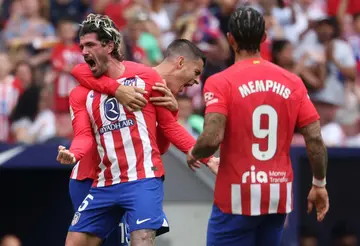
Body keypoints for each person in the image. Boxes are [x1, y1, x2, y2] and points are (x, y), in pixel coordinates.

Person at [56, 14, 211, 246]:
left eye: (89, 45)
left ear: (109, 46)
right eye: (83, 46)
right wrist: (116, 90)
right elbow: (79, 72)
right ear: (180, 63)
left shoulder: (148, 79)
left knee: (131, 240)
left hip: (137, 178)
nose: (196, 82)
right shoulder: (84, 88)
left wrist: (204, 154)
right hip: (92, 177)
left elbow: (161, 139)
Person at [186, 7, 329, 246]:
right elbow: (314, 138)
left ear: (230, 39)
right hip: (277, 194)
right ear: (264, 38)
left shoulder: (221, 81)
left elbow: (211, 137)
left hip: (235, 196)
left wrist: (196, 152)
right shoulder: (292, 81)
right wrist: (319, 184)